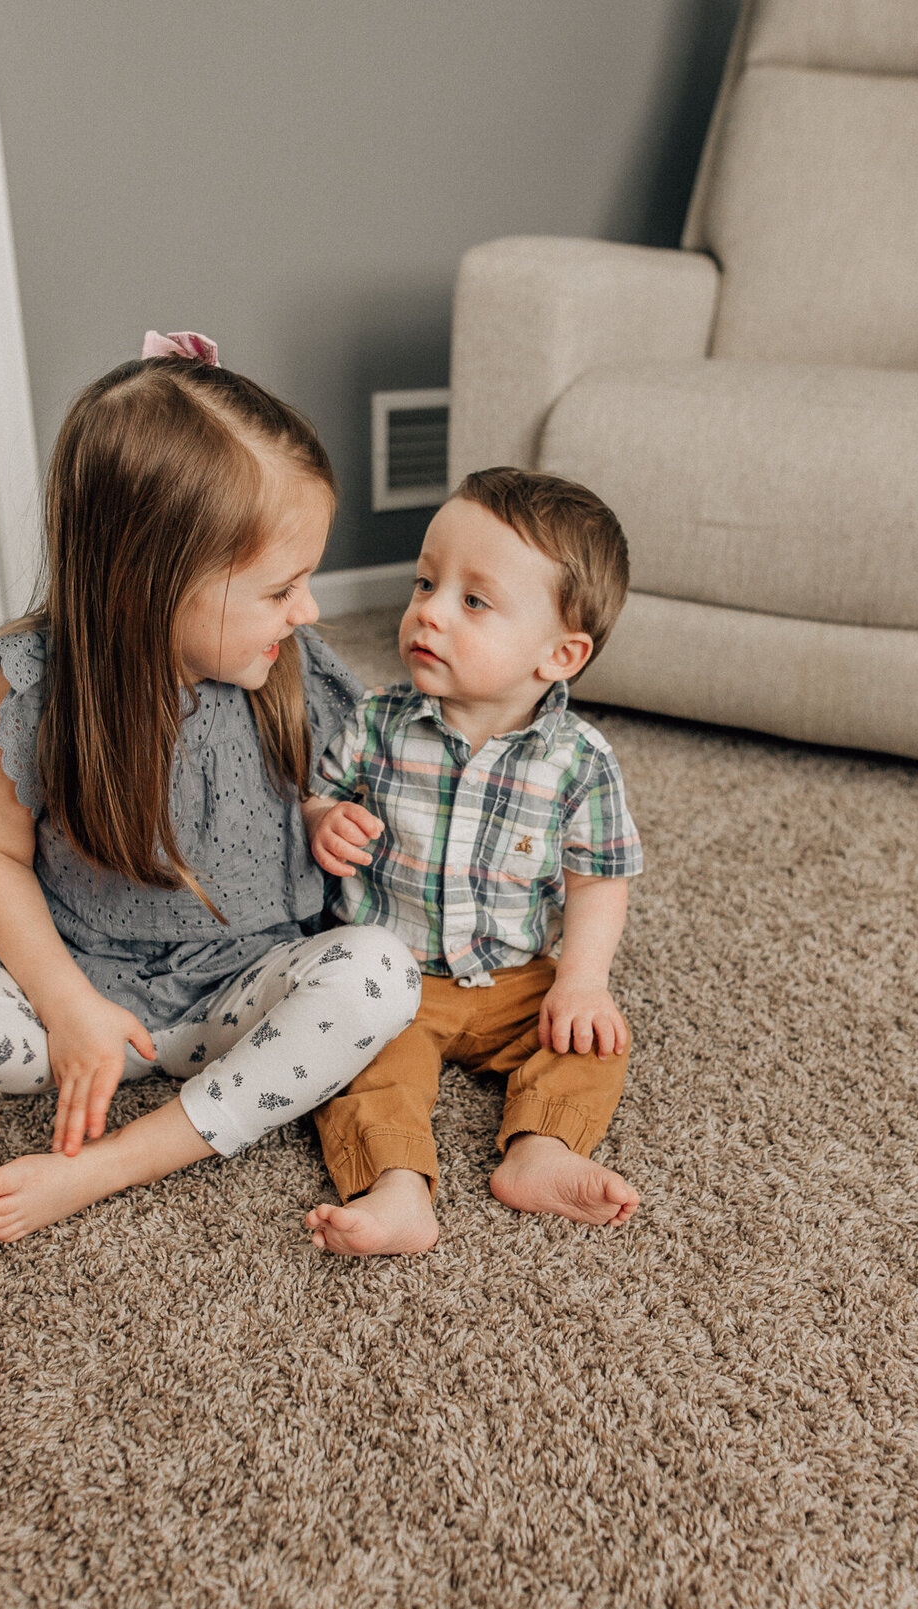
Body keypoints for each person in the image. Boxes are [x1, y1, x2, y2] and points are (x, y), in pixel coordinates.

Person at [0, 332, 418, 1542]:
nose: (310, 608)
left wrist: (320, 820)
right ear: (156, 579)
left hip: (234, 989)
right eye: (280, 587)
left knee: (380, 972)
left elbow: (297, 784)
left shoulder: (283, 668)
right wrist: (60, 1003)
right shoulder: (38, 683)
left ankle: (103, 1167)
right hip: (80, 994)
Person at [301, 466, 643, 1256]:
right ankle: (395, 1189)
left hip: (515, 976)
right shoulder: (377, 722)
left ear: (560, 653)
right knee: (354, 1055)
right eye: (426, 583)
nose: (429, 612)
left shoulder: (578, 761)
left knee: (590, 1043)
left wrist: (581, 982)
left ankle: (542, 1151)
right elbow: (317, 794)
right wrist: (325, 819)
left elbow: (599, 878)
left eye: (473, 600)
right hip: (395, 973)